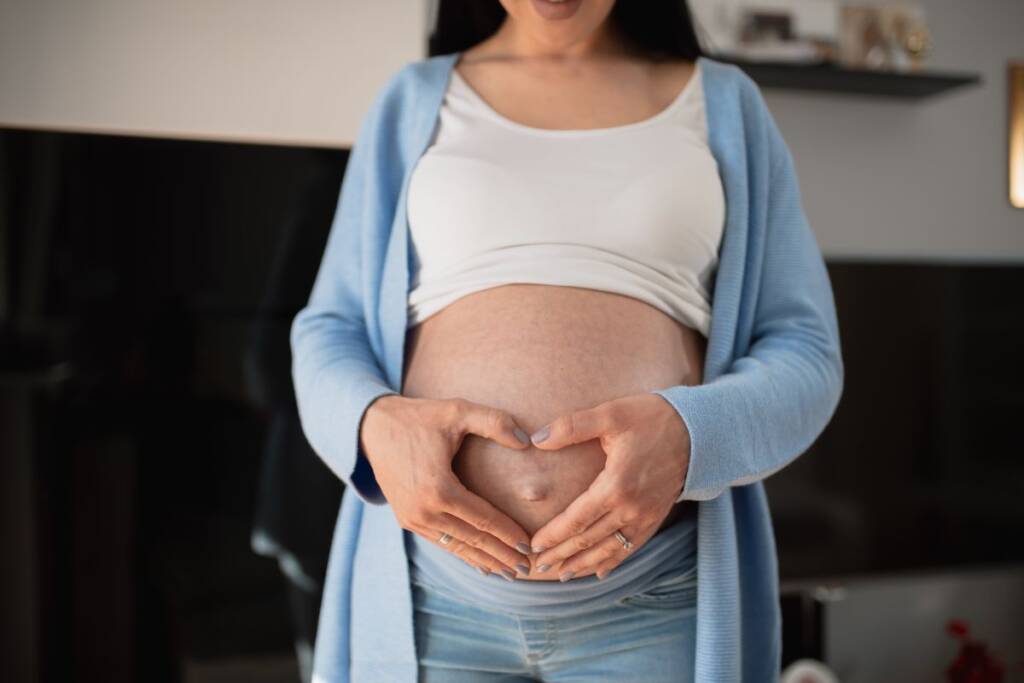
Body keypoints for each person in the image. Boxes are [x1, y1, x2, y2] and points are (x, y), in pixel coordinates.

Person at [290, 1, 844, 681]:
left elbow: (805, 350)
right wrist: (374, 425)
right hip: (433, 600)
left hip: (655, 600)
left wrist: (689, 435)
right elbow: (329, 328)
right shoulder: (413, 99)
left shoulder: (725, 104)